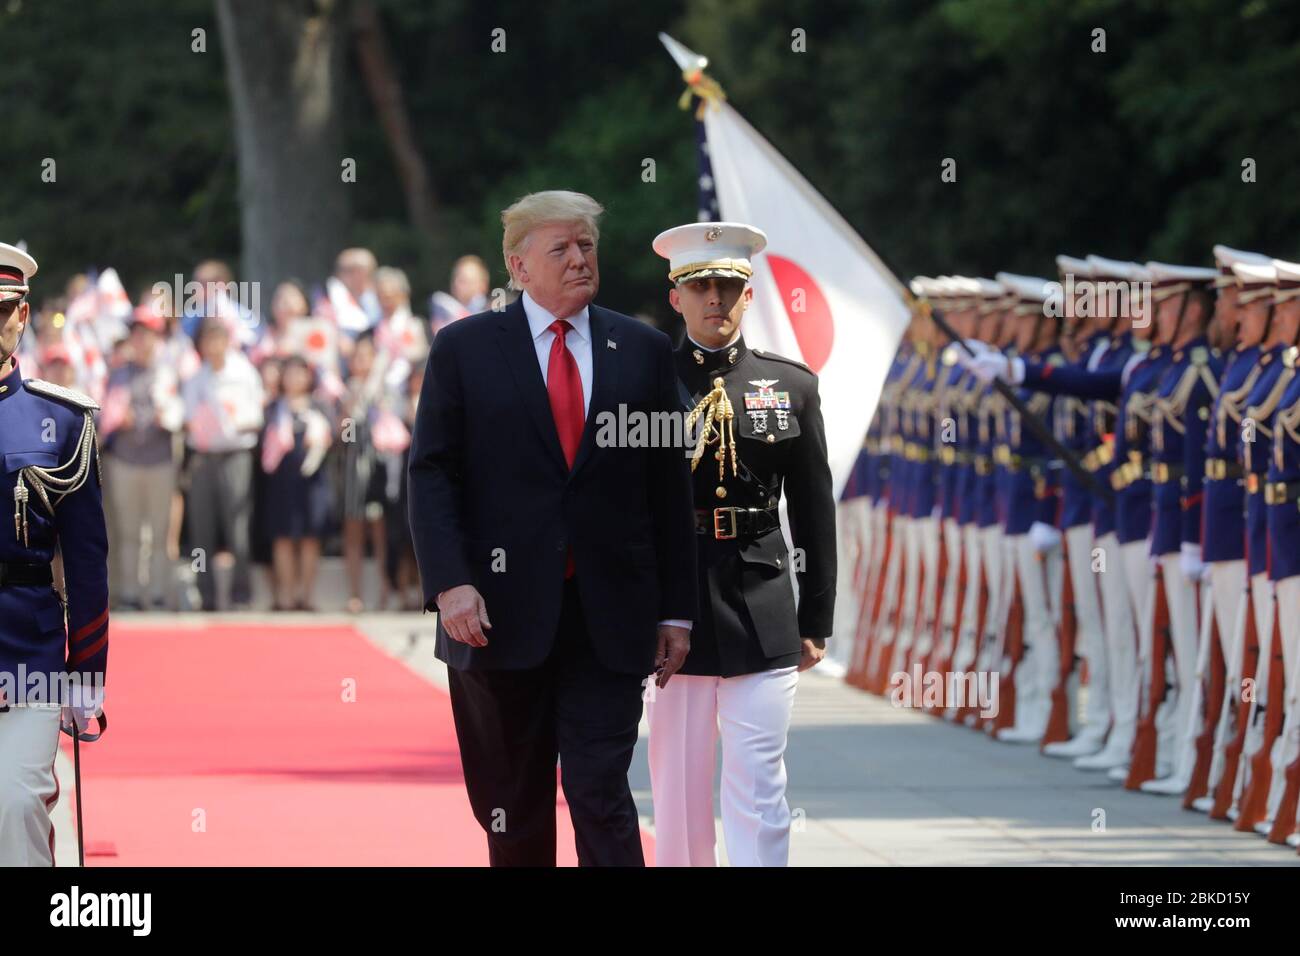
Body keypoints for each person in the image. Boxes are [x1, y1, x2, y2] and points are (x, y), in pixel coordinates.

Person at [407, 190, 697, 867]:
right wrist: (450, 582)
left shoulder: (644, 350)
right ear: (518, 265)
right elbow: (430, 474)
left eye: (587, 246)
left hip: (609, 617)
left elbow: (666, 488)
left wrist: (677, 610)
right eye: (560, 249)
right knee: (513, 807)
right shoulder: (465, 349)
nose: (579, 260)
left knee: (601, 792)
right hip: (496, 616)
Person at [645, 222, 836, 867]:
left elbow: (813, 511)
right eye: (700, 287)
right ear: (677, 298)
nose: (715, 299)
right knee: (678, 788)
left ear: (748, 294)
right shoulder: (644, 384)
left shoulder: (791, 385)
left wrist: (817, 618)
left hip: (762, 600)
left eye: (728, 286)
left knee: (760, 785)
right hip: (675, 606)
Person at [0, 243, 109, 865]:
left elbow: (88, 559)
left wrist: (87, 670)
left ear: (23, 314)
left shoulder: (62, 419)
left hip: (26, 649)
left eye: (1, 310)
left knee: (16, 809)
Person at [100, 307, 184, 610]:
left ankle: (159, 592)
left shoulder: (170, 370)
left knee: (160, 530)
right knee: (127, 530)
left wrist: (169, 417)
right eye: (136, 333)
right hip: (124, 459)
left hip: (160, 459)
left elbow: (182, 411)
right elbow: (104, 414)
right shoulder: (118, 373)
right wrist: (115, 418)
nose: (141, 339)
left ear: (157, 337)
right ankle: (129, 593)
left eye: (147, 333)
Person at [181, 317, 264, 611]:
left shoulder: (244, 374)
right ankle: (206, 594)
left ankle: (242, 593)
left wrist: (229, 422)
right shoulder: (195, 379)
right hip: (204, 457)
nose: (213, 347)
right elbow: (188, 420)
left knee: (237, 526)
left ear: (227, 342)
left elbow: (255, 418)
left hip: (235, 455)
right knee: (202, 528)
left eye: (218, 340)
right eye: (207, 341)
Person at [262, 355, 333, 611]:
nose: (294, 378)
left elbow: (335, 437)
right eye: (289, 373)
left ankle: (307, 596)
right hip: (281, 481)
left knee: (310, 538)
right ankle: (286, 596)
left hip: (312, 481)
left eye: (300, 372)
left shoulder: (320, 406)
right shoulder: (273, 407)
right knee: (282, 537)